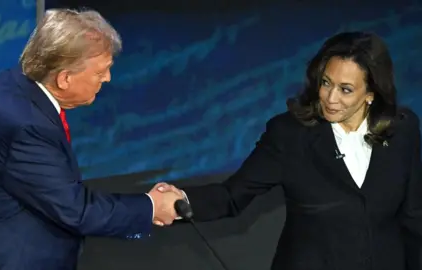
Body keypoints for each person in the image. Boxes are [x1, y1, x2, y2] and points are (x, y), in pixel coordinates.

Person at [158, 31, 422, 270]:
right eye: (326, 82)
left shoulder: (402, 130)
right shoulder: (289, 135)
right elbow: (232, 195)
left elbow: (413, 217)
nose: (330, 98)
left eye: (346, 90)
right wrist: (181, 202)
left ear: (371, 93)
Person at [0, 8, 182, 270]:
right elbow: (75, 210)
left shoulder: (16, 86)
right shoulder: (26, 125)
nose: (107, 78)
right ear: (65, 78)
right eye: (101, 71)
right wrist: (150, 207)